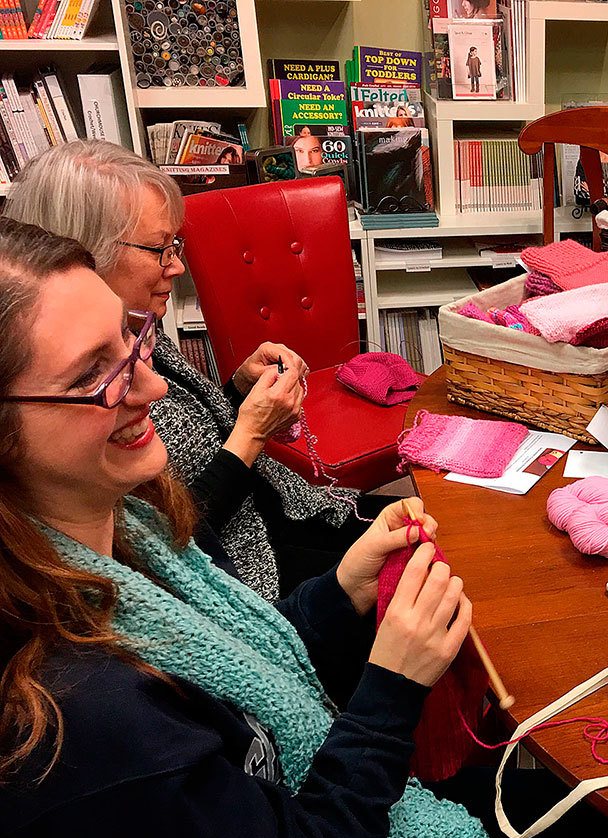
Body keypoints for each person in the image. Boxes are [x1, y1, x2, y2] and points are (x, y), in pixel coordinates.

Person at [0, 218, 608, 838]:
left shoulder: (127, 531)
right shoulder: (82, 716)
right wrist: (388, 694)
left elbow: (241, 686)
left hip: (307, 829)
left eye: (134, 343)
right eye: (97, 377)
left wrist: (339, 592)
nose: (152, 384)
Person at [6, 139, 374, 600]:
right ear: (85, 251)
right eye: (160, 248)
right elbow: (167, 542)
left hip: (280, 513)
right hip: (246, 568)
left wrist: (237, 391)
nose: (178, 265)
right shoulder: (73, 406)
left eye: (175, 244)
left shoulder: (139, 328)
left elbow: (190, 443)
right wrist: (251, 432)